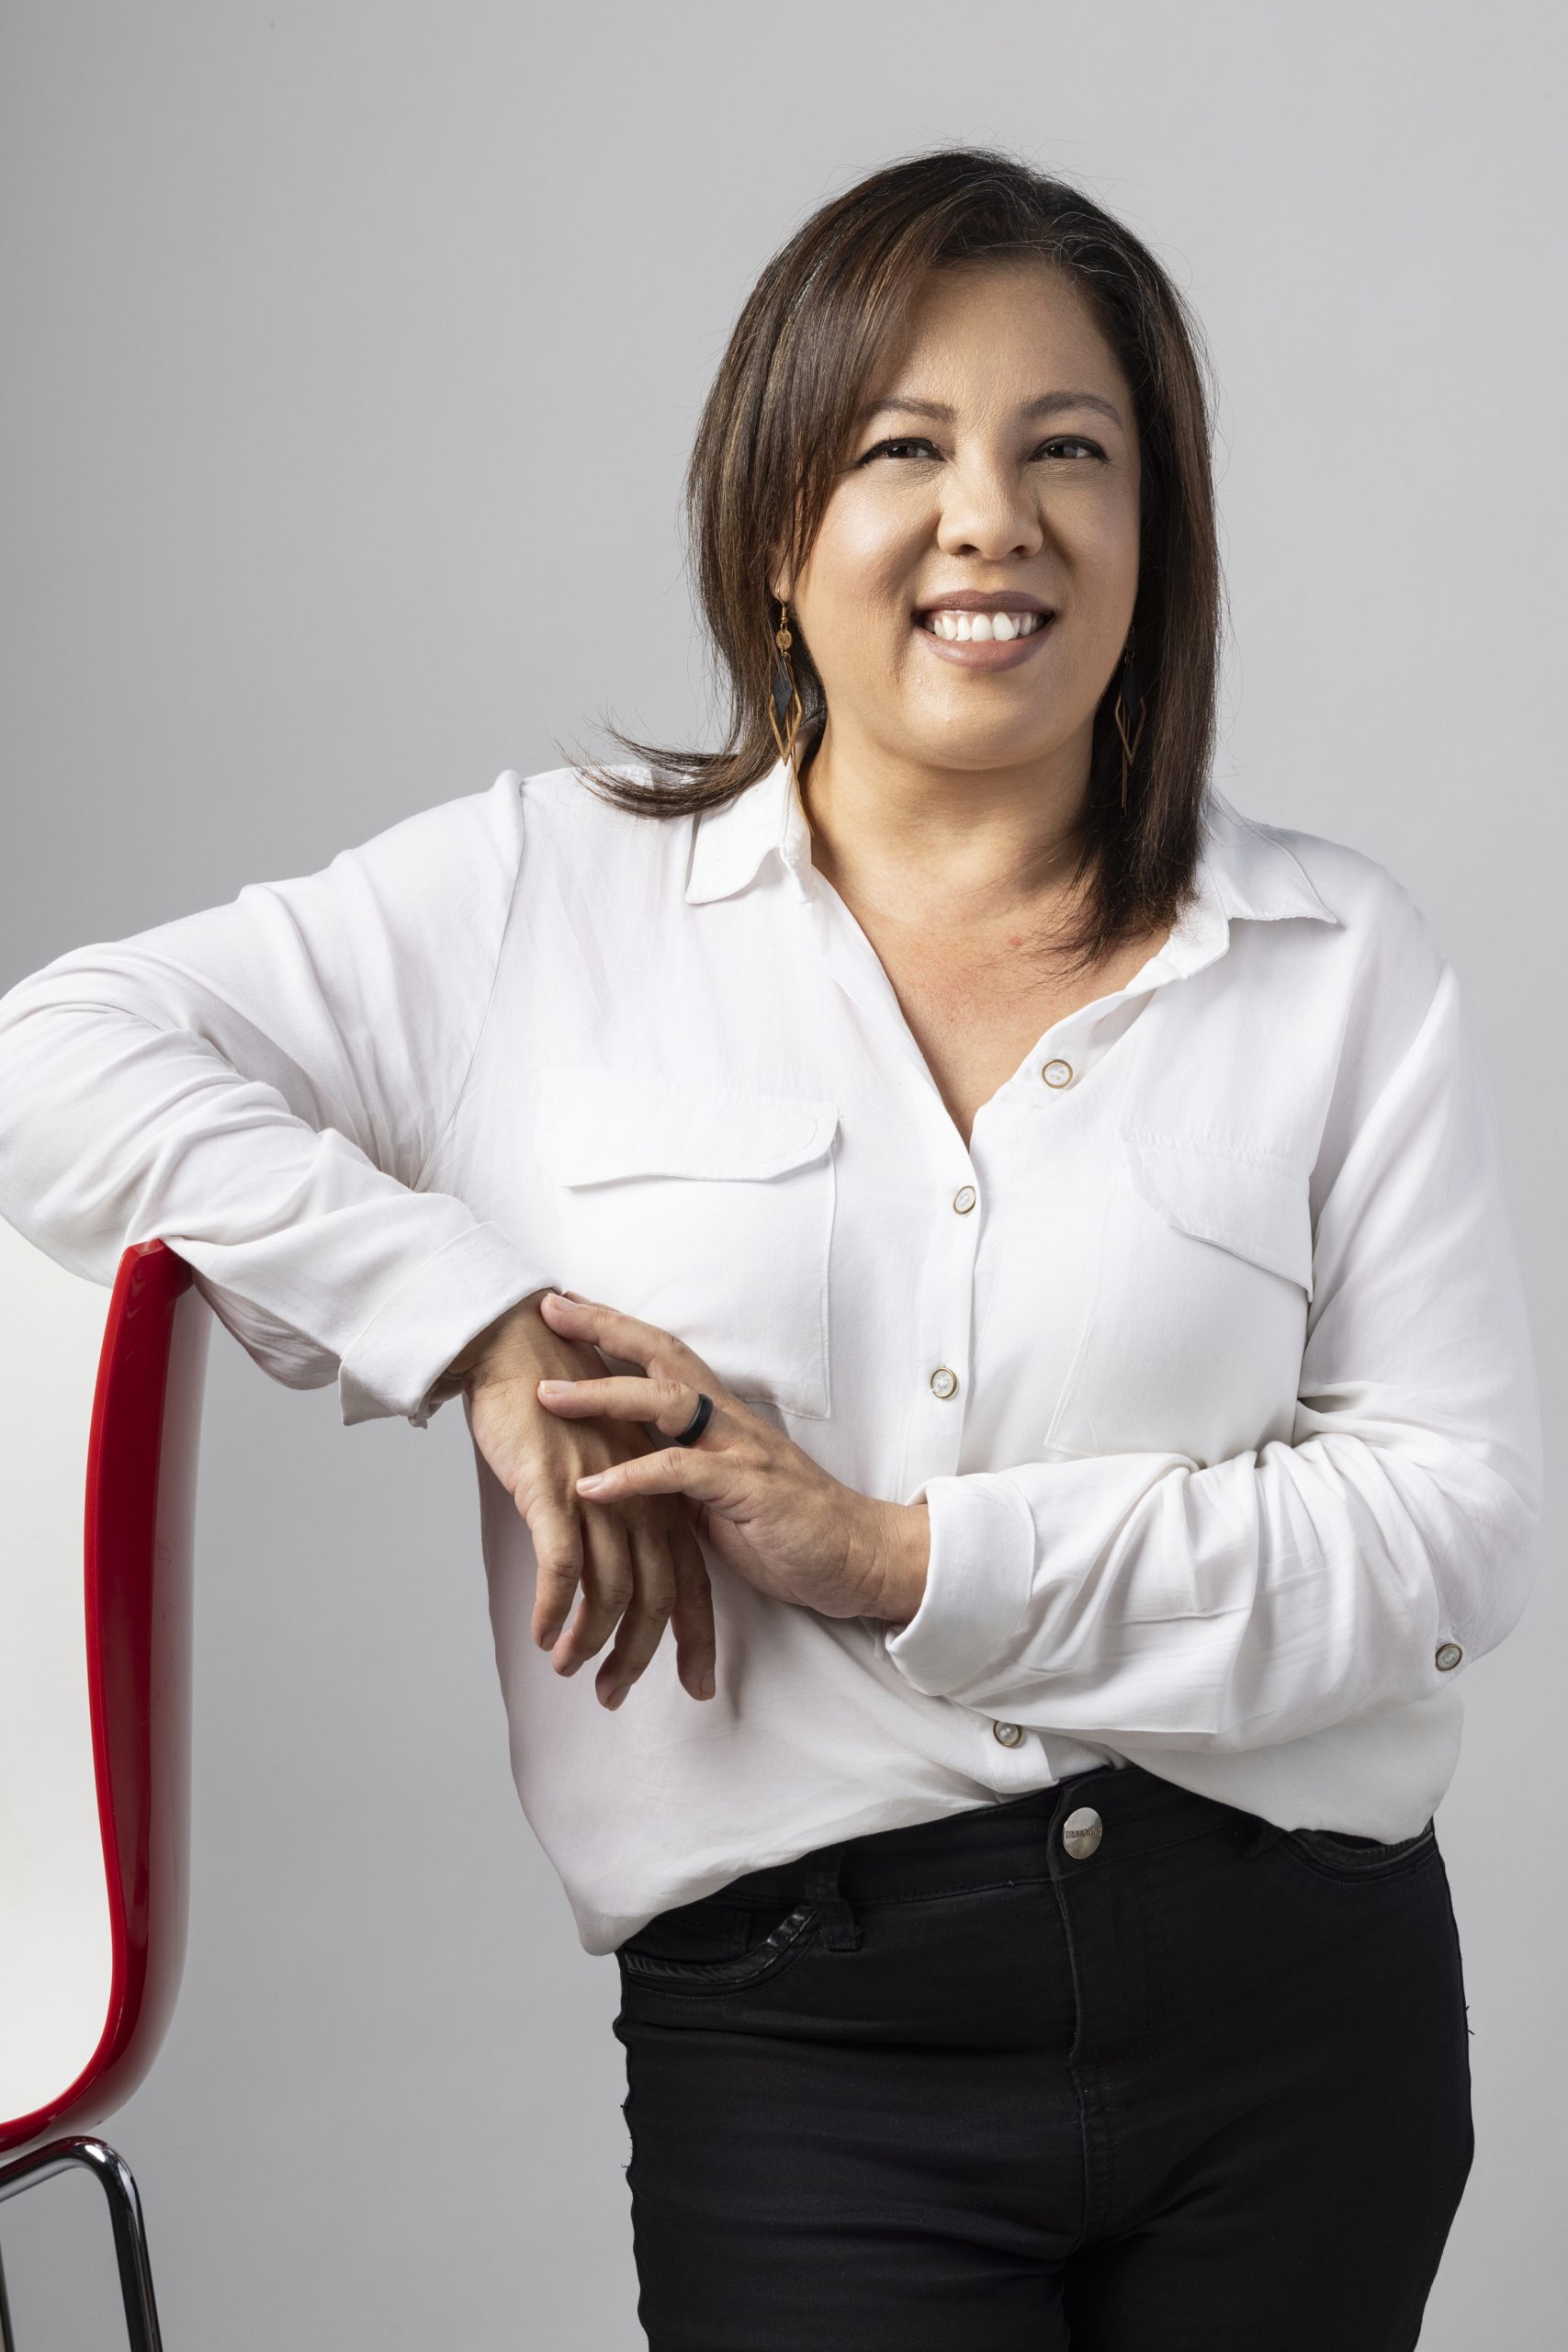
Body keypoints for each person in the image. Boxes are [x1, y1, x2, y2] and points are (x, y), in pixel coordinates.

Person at [0, 145, 1541, 2349]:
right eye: (902, 447)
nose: (991, 518)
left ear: (1154, 532)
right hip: (817, 2060)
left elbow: (1449, 1526)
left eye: (1068, 451)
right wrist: (468, 1324)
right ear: (770, 526)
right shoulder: (539, 903)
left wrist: (904, 1557)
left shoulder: (1331, 957)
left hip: (1300, 2020)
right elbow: (55, 1054)